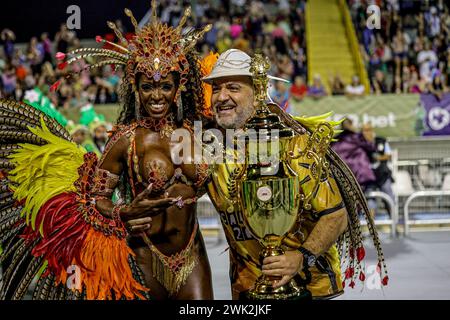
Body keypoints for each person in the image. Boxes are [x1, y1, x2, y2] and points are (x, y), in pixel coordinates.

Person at [0, 2, 213, 300]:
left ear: (178, 87)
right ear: (134, 88)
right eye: (146, 87)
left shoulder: (199, 130)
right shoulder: (126, 140)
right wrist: (122, 212)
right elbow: (92, 200)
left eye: (165, 86)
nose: (156, 96)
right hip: (144, 258)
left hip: (193, 255)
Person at [202, 49, 388, 300]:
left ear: (258, 93)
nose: (221, 97)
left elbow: (336, 215)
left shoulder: (295, 145)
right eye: (216, 89)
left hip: (309, 287)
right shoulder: (209, 150)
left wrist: (302, 256)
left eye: (233, 88)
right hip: (248, 290)